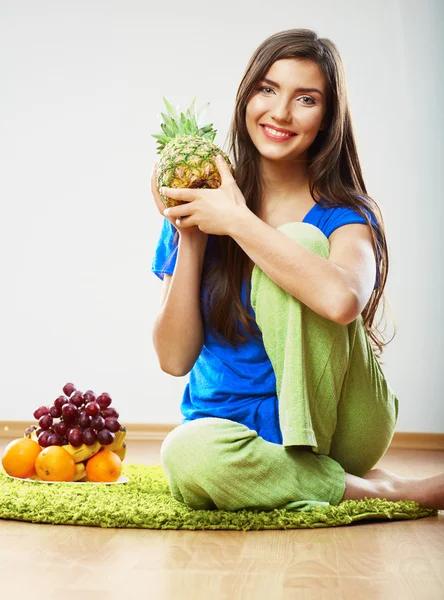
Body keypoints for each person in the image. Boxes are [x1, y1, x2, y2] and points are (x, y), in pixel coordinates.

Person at [151, 29, 444, 512]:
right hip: (233, 424)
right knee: (185, 453)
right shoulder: (200, 203)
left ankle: (316, 465)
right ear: (246, 96)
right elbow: (174, 359)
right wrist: (193, 235)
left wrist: (239, 222)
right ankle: (376, 489)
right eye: (267, 89)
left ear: (327, 118)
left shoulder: (344, 214)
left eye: (305, 99)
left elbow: (342, 301)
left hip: (341, 421)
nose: (281, 112)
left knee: (298, 241)